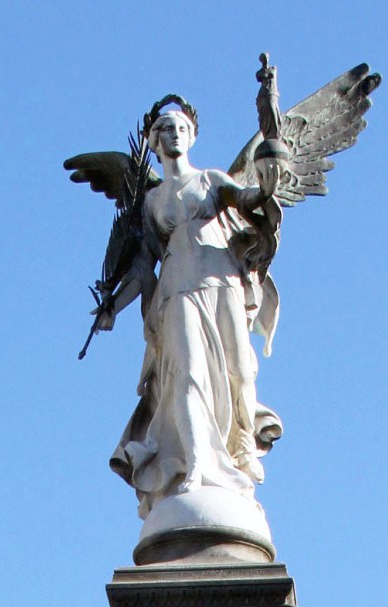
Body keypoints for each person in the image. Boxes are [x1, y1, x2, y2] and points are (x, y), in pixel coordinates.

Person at [104, 109, 281, 519]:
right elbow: (143, 267)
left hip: (222, 282)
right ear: (152, 141)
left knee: (239, 371)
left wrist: (268, 179)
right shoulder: (151, 202)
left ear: (192, 136)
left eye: (182, 128)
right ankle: (196, 463)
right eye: (166, 129)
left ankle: (239, 449)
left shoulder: (212, 180)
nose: (175, 135)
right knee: (187, 375)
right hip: (177, 291)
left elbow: (251, 199)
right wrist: (113, 306)